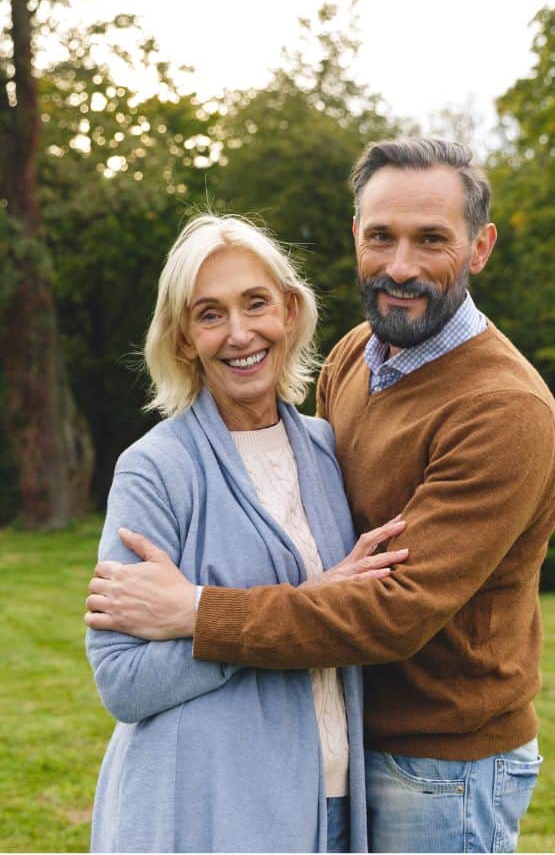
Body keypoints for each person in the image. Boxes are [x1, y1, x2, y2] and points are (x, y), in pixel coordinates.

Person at [85, 139, 555, 854]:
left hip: (442, 763)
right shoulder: (355, 359)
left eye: (431, 238)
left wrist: (195, 611)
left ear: (479, 247)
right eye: (382, 236)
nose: (400, 265)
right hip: (320, 762)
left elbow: (389, 610)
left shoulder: (503, 412)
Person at [85, 213, 407, 853]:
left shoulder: (323, 449)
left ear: (289, 312)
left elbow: (350, 619)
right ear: (183, 339)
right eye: (210, 314)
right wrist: (310, 602)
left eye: (255, 304)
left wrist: (198, 614)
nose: (239, 334)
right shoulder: (156, 468)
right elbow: (123, 682)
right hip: (208, 811)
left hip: (332, 804)